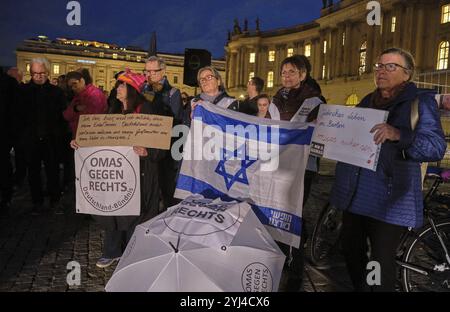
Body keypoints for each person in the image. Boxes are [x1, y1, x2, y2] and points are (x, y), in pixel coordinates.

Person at [330, 48, 446, 292]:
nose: (382, 70)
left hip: (391, 197)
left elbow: (435, 147)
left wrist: (398, 134)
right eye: (379, 65)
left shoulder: (419, 102)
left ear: (407, 74)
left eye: (390, 66)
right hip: (356, 193)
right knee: (351, 250)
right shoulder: (367, 100)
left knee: (380, 262)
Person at [70, 70, 168, 268]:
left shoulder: (146, 108)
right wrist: (82, 144)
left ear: (131, 89)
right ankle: (112, 251)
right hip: (119, 173)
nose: (117, 89)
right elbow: (101, 139)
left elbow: (161, 144)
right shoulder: (112, 110)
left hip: (141, 172)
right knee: (114, 209)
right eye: (117, 86)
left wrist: (147, 151)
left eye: (121, 85)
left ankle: (132, 253)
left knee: (135, 214)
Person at [271, 54, 325, 291]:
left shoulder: (315, 101)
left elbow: (320, 134)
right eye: (283, 72)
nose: (286, 76)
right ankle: (280, 254)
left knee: (294, 212)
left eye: (292, 72)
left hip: (303, 166)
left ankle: (295, 263)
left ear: (303, 75)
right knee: (276, 210)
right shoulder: (276, 98)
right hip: (277, 163)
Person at [17, 58, 67, 214]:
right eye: (35, 73)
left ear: (48, 72)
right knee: (33, 172)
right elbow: (18, 116)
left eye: (42, 73)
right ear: (31, 73)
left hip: (51, 139)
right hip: (30, 139)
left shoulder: (57, 92)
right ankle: (36, 202)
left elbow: (62, 117)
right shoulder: (23, 91)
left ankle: (55, 200)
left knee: (52, 171)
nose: (38, 76)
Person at [143, 56, 183, 209]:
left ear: (163, 71)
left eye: (154, 71)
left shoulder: (173, 93)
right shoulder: (143, 89)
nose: (150, 74)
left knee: (167, 190)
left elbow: (176, 121)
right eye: (147, 71)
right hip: (146, 148)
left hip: (164, 150)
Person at [63, 70, 107, 138]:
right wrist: (76, 108)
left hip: (89, 137)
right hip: (79, 135)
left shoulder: (94, 94)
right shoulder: (79, 95)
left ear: (82, 80)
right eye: (70, 86)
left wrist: (75, 110)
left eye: (75, 83)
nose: (73, 88)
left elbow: (90, 120)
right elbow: (66, 116)